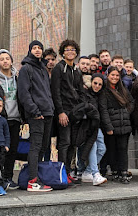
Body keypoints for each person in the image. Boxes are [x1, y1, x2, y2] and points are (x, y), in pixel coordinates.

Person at [18, 40, 54, 192]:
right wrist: (34, 111)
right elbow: (24, 93)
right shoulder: (26, 69)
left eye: (40, 48)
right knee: (35, 146)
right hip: (36, 114)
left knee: (44, 147)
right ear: (30, 50)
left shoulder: (43, 69)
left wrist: (51, 109)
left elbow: (47, 92)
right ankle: (32, 181)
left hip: (48, 113)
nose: (38, 50)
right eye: (34, 48)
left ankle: (37, 177)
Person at [51, 39, 84, 184]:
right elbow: (55, 91)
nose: (70, 52)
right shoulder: (59, 68)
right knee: (64, 143)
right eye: (67, 50)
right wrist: (60, 112)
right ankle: (62, 173)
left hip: (75, 111)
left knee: (73, 143)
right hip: (64, 111)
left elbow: (81, 90)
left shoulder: (77, 70)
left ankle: (69, 172)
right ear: (63, 53)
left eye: (73, 50)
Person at [99, 66, 134, 183]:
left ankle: (123, 171)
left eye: (117, 75)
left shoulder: (122, 88)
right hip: (112, 125)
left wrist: (126, 112)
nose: (114, 77)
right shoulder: (104, 90)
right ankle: (115, 171)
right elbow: (103, 110)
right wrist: (108, 126)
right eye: (112, 75)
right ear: (107, 76)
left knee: (123, 149)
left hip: (124, 124)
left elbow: (131, 102)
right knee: (112, 149)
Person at [0, 49, 21, 190]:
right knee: (0, 150)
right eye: (2, 59)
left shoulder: (17, 77)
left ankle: (8, 177)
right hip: (0, 118)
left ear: (11, 61)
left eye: (7, 58)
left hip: (15, 118)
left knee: (13, 149)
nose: (5, 61)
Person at [77, 73, 108, 185]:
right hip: (87, 126)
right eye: (95, 83)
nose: (97, 86)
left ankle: (88, 171)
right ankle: (95, 174)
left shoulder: (100, 95)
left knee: (102, 149)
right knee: (92, 147)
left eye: (100, 84)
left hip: (96, 126)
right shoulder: (85, 93)